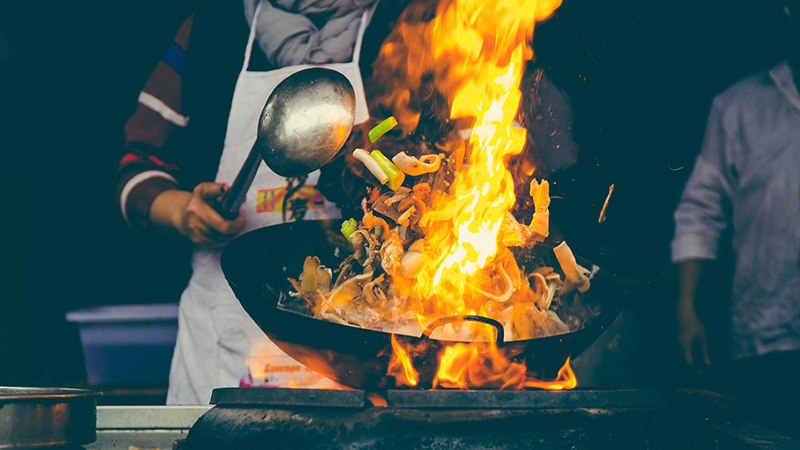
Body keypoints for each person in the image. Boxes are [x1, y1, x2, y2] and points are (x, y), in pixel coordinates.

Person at [115, 0, 380, 404]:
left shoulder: (410, 24)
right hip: (223, 336)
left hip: (357, 346)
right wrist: (184, 210)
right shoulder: (213, 27)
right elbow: (137, 167)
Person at [673, 1, 800, 436]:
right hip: (764, 337)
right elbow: (699, 211)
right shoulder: (739, 107)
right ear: (789, 13)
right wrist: (687, 307)